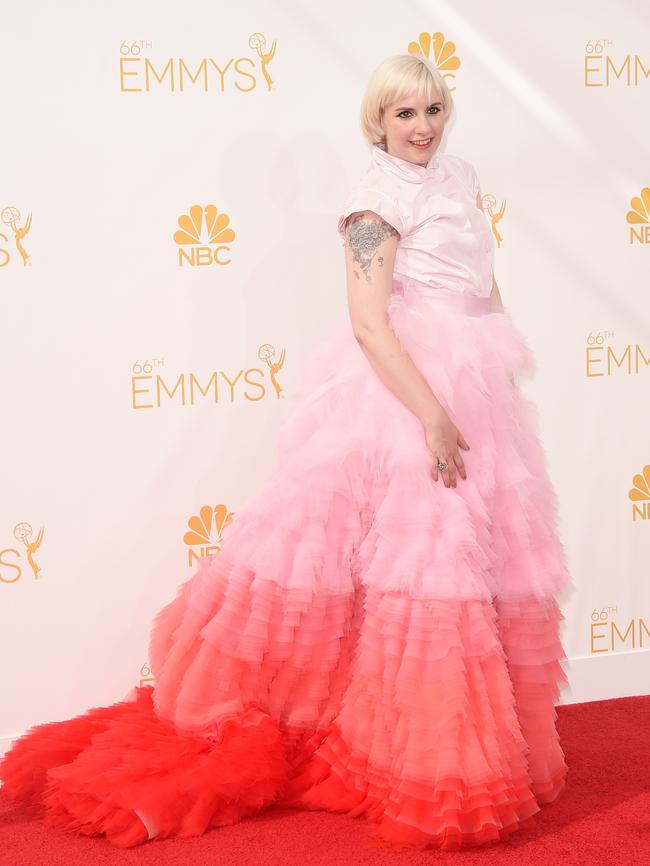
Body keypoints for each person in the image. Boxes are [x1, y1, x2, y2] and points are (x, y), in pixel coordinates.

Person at [0, 53, 572, 852]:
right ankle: (432, 757)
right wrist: (434, 416)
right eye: (404, 114)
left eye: (433, 110)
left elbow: (482, 279)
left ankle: (450, 738)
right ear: (377, 120)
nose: (421, 127)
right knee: (423, 567)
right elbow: (371, 324)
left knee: (477, 562)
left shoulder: (459, 176)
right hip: (407, 391)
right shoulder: (372, 203)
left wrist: (498, 362)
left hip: (473, 380)